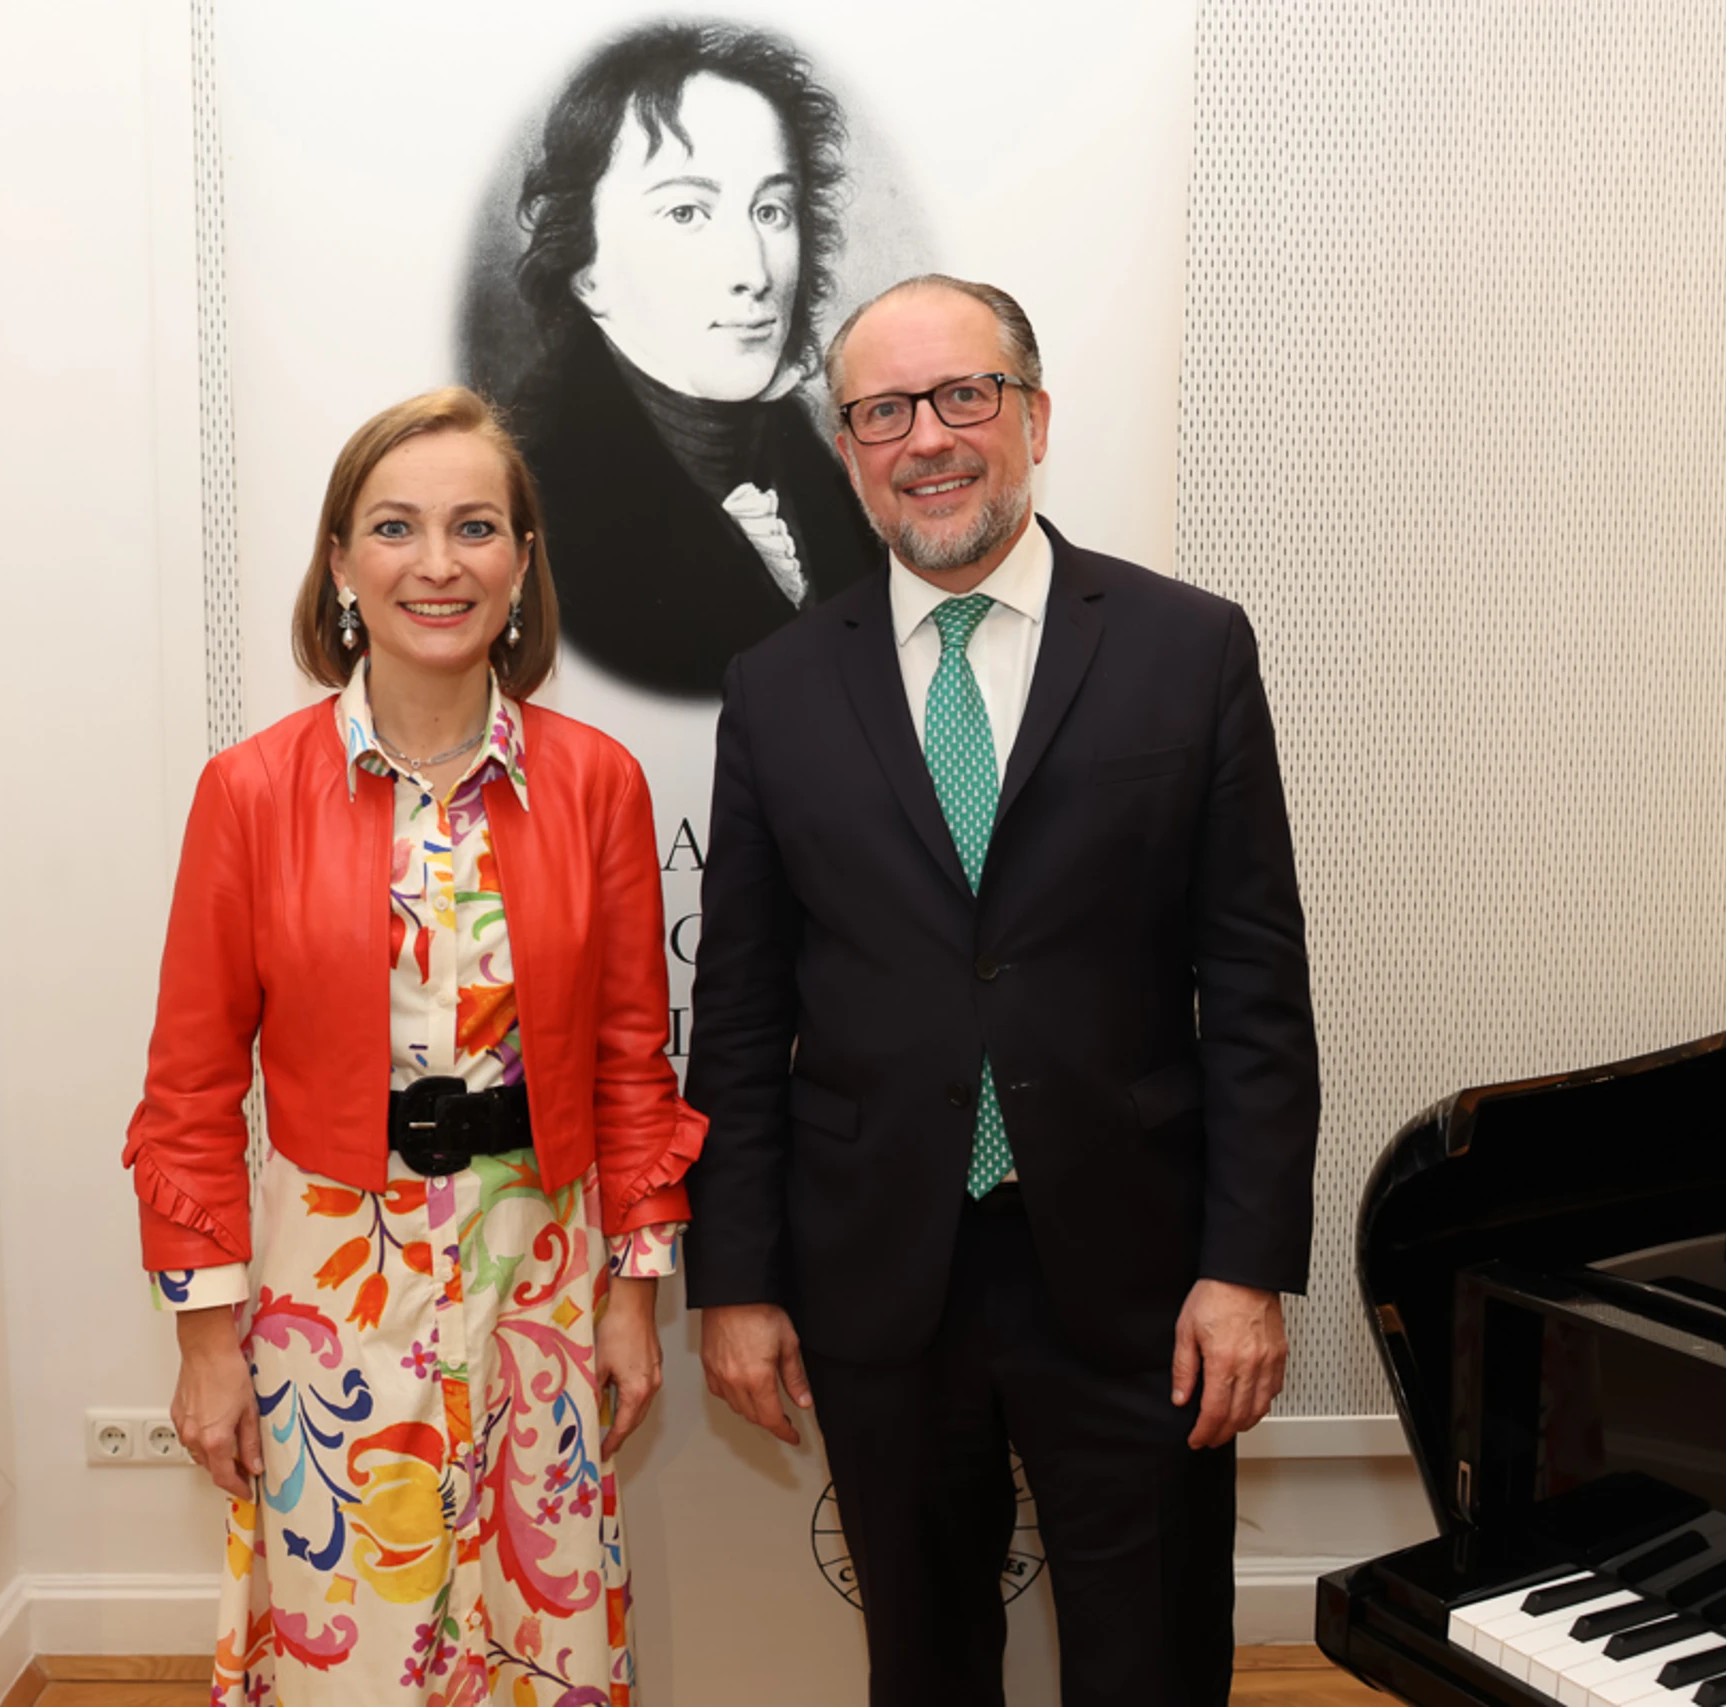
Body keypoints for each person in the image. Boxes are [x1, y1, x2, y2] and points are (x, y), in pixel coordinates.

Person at [683, 275, 1321, 1705]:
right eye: (883, 411)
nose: (927, 438)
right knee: (923, 1662)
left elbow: (1256, 986)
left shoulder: (1189, 648)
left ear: (1033, 414)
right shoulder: (778, 686)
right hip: (876, 1270)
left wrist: (1244, 1267)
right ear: (846, 450)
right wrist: (736, 1279)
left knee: (1152, 1662)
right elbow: (741, 1009)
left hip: (1140, 1273)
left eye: (963, 396)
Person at [122, 387, 704, 1704]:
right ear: (339, 562)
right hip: (328, 1287)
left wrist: (631, 1297)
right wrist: (206, 1345)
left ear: (522, 562)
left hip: (542, 1273)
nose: (437, 563)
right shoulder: (248, 791)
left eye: (474, 527)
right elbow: (190, 1089)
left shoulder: (598, 781)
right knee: (358, 1647)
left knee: (536, 1638)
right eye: (394, 527)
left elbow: (630, 1062)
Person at [510, 21, 883, 700]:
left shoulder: (819, 467)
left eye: (771, 211)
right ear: (586, 268)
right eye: (686, 213)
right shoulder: (540, 504)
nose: (753, 273)